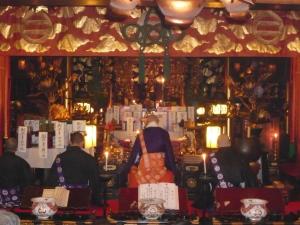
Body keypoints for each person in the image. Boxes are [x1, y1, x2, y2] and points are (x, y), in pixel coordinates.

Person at [121, 113, 178, 187]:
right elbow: (169, 154)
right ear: (157, 122)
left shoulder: (141, 134)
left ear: (147, 123)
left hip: (144, 173)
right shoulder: (164, 133)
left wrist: (127, 169)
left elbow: (134, 155)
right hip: (161, 171)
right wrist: (173, 170)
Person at [47, 132, 101, 205]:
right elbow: (95, 181)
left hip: (62, 197)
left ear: (70, 142)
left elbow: (51, 180)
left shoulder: (59, 158)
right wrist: (96, 200)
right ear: (82, 142)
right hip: (82, 197)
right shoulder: (89, 159)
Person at [0, 137, 33, 207]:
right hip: (16, 197)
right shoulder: (21, 162)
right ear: (16, 148)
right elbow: (29, 180)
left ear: (4, 145)